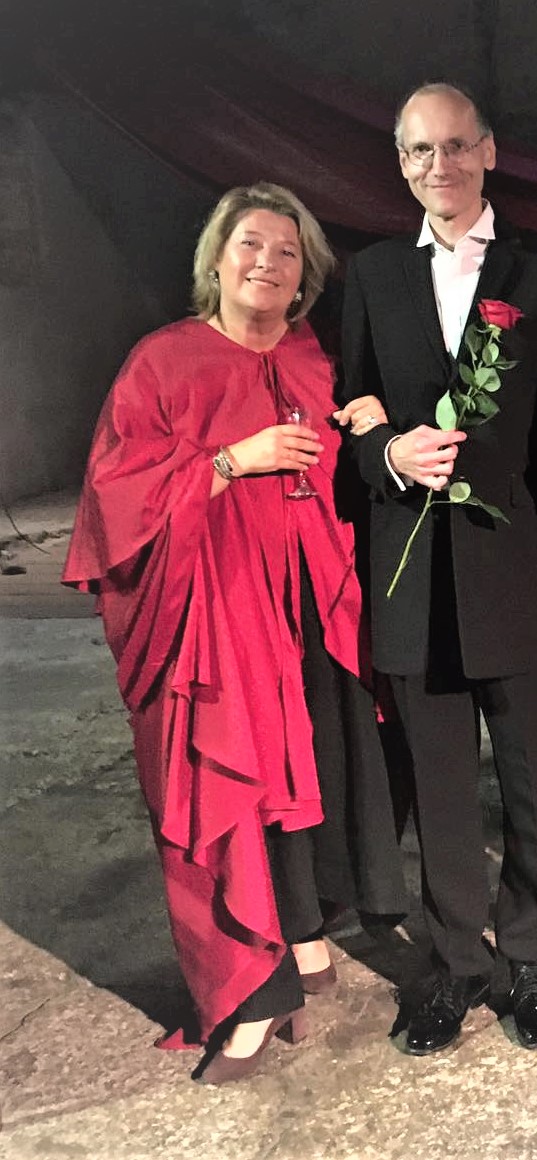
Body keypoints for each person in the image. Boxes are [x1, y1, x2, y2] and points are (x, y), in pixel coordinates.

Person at [63, 182, 406, 1083]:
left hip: (315, 610)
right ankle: (255, 994)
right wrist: (227, 461)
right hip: (216, 619)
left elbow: (360, 461)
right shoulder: (163, 362)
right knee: (237, 782)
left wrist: (372, 432)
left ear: (306, 276)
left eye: (288, 252)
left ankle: (307, 939)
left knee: (317, 771)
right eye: (250, 244)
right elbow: (113, 498)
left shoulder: (318, 359)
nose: (267, 263)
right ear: (216, 258)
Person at [340, 81, 537, 1055]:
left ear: (489, 151)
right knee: (441, 782)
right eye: (419, 150)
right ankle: (454, 960)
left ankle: (532, 953)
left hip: (517, 566)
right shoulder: (371, 274)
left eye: (454, 146)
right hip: (410, 575)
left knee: (531, 778)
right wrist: (388, 453)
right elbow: (349, 411)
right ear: (401, 163)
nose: (437, 165)